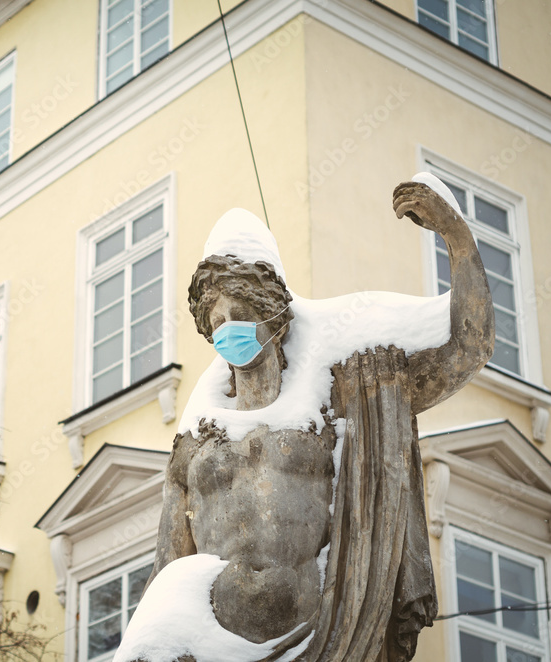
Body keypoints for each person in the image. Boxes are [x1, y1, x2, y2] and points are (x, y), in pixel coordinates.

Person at [117, 179, 495, 662]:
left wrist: (456, 238)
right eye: (216, 322)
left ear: (275, 316)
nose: (228, 329)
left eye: (241, 312)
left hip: (328, 635)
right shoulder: (195, 437)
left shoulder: (337, 394)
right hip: (208, 646)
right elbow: (167, 567)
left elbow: (468, 346)